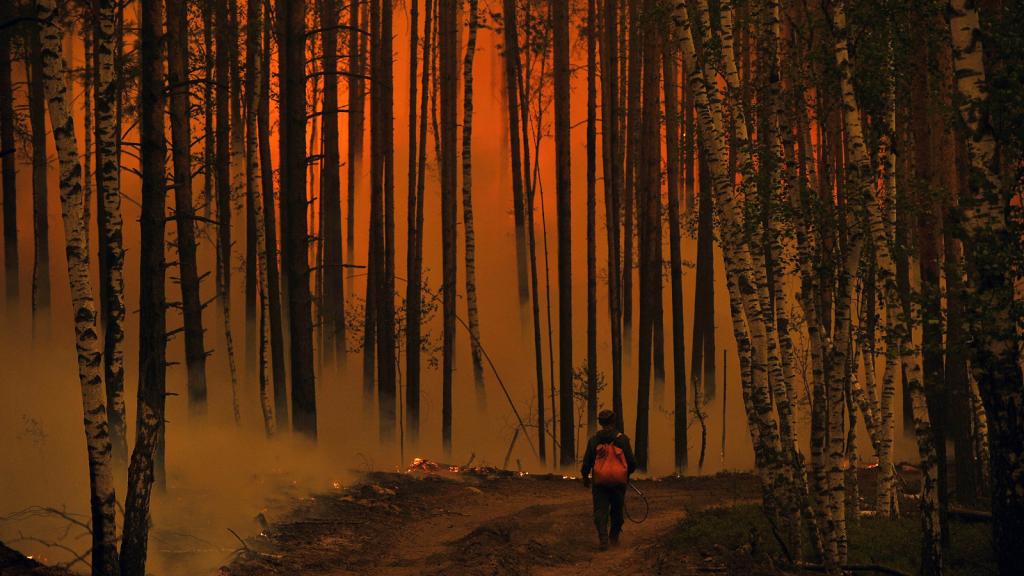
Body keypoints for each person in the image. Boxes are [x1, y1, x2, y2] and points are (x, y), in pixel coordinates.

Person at [580, 409, 637, 550]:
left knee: (600, 510)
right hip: (618, 482)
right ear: (614, 421)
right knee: (617, 510)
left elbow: (587, 462)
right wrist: (625, 474)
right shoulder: (622, 439)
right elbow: (632, 462)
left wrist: (585, 477)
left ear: (600, 423)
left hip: (599, 482)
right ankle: (614, 538)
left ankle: (603, 538)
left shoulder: (594, 440)